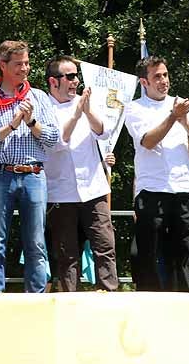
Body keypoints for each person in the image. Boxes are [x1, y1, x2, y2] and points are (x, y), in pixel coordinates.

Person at [0, 40, 59, 293]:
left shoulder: (39, 97)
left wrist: (31, 122)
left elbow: (53, 139)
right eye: (19, 63)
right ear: (3, 65)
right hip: (0, 176)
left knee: (36, 243)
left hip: (34, 174)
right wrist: (11, 125)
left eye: (27, 63)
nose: (25, 68)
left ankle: (36, 297)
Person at [124, 56, 189, 291]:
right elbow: (148, 142)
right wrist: (173, 116)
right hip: (153, 190)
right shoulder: (134, 108)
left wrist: (183, 119)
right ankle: (149, 304)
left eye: (165, 75)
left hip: (184, 189)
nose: (163, 81)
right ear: (144, 82)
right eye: (157, 77)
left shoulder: (180, 104)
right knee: (149, 254)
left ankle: (185, 303)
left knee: (185, 252)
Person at [44, 55, 118, 292]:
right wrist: (76, 114)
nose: (75, 81)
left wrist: (86, 111)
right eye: (70, 76)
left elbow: (104, 132)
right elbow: (56, 142)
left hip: (93, 189)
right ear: (53, 82)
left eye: (76, 75)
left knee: (105, 245)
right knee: (67, 254)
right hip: (61, 192)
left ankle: (109, 293)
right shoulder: (43, 106)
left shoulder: (86, 101)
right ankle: (69, 300)